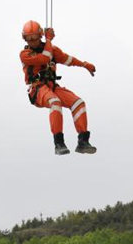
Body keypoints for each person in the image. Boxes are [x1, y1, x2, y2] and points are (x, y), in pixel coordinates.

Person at [20, 21, 97, 155]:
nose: (32, 41)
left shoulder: (51, 50)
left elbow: (67, 59)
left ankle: (83, 140)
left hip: (52, 87)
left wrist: (84, 65)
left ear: (40, 36)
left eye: (34, 37)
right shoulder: (25, 54)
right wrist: (49, 39)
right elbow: (44, 58)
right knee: (55, 102)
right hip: (37, 89)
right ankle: (59, 143)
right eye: (29, 38)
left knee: (78, 103)